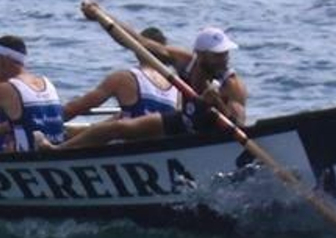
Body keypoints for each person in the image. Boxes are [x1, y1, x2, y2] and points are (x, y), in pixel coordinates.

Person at [50, 26, 249, 150]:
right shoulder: (186, 63)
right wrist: (101, 16)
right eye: (217, 54)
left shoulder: (232, 85)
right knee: (116, 126)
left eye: (225, 53)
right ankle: (57, 152)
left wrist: (217, 105)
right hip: (183, 123)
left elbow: (239, 125)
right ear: (200, 55)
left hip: (209, 134)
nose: (223, 58)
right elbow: (137, 42)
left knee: (117, 122)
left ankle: (61, 140)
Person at [60, 28, 180, 123]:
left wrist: (50, 120)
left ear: (136, 49)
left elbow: (75, 108)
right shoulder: (177, 87)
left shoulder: (124, 78)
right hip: (162, 144)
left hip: (133, 146)